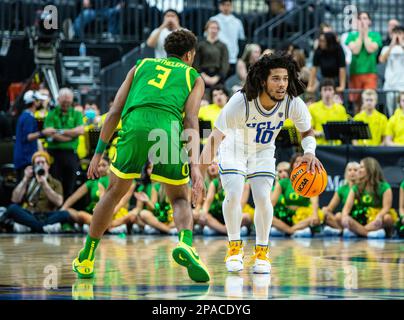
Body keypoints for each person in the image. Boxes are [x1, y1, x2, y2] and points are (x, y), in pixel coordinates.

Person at [72, 30, 210, 283]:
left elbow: (114, 111)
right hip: (167, 127)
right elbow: (191, 119)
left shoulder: (141, 65)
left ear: (165, 51)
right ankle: (185, 243)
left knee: (113, 193)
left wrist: (97, 153)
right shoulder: (193, 76)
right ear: (190, 55)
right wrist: (196, 167)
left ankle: (87, 256)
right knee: (179, 197)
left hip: (135, 123)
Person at [199, 52, 324, 273]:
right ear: (263, 80)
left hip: (263, 150)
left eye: (285, 78)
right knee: (235, 192)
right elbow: (214, 139)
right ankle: (234, 247)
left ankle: (262, 252)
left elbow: (306, 131)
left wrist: (310, 152)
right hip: (235, 147)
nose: (282, 84)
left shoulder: (292, 102)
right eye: (276, 78)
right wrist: (197, 176)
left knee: (263, 197)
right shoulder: (241, 101)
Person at [3, 151, 80, 233]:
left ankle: (31, 227)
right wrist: (25, 179)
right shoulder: (29, 181)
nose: (40, 165)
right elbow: (15, 199)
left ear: (48, 165)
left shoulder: (55, 183)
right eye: (37, 163)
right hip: (30, 214)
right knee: (12, 207)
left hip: (47, 215)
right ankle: (43, 227)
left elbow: (59, 202)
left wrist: (44, 184)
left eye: (43, 162)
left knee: (65, 214)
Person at [340, 157, 398, 238]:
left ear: (370, 169)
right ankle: (369, 234)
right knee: (347, 219)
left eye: (362, 167)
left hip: (377, 219)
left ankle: (358, 232)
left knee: (387, 218)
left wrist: (379, 216)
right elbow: (346, 208)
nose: (359, 170)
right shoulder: (356, 187)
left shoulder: (384, 187)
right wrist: (344, 217)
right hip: (361, 218)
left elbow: (386, 208)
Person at [43, 88, 84, 198]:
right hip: (54, 154)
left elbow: (80, 130)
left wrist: (59, 131)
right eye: (63, 102)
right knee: (54, 182)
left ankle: (66, 210)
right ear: (58, 100)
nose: (66, 104)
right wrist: (71, 136)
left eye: (68, 102)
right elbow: (49, 133)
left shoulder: (77, 114)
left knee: (70, 184)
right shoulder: (51, 114)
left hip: (71, 154)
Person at [270, 153, 324, 237]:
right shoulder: (283, 182)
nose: (299, 164)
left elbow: (314, 202)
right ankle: (292, 230)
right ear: (292, 165)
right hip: (287, 215)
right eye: (297, 162)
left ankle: (288, 230)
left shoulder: (311, 181)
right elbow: (271, 203)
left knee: (316, 216)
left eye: (302, 162)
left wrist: (315, 214)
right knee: (267, 216)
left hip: (303, 217)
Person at [345, 11, 382, 113]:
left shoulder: (375, 35)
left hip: (370, 73)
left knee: (369, 101)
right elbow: (355, 50)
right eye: (360, 18)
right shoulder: (351, 36)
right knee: (357, 103)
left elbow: (370, 49)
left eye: (365, 18)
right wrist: (361, 34)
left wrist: (365, 34)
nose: (362, 21)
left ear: (369, 21)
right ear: (357, 21)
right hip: (355, 73)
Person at [13, 90, 53, 181]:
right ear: (35, 102)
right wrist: (44, 132)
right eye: (39, 100)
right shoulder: (28, 118)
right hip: (26, 159)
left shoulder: (25, 115)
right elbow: (28, 137)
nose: (41, 103)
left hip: (23, 157)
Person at [321, 161, 360, 236]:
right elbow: (330, 208)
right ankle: (342, 230)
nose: (352, 172)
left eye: (355, 170)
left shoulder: (362, 187)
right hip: (345, 217)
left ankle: (341, 230)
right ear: (346, 173)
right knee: (326, 213)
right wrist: (325, 211)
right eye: (350, 170)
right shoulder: (342, 189)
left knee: (339, 216)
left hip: (359, 217)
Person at [210, 0, 246, 77]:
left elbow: (241, 40)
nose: (226, 7)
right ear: (220, 6)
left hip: (232, 58)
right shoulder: (213, 20)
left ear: (231, 6)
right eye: (223, 5)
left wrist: (238, 57)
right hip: (216, 59)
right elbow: (208, 37)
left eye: (228, 5)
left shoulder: (237, 22)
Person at [308, 78, 349, 145]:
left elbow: (345, 130)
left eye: (330, 89)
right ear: (320, 92)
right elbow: (308, 130)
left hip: (337, 146)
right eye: (325, 89)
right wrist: (320, 133)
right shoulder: (312, 108)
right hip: (319, 146)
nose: (327, 93)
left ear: (334, 92)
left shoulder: (341, 109)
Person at [193, 20, 229, 89]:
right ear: (206, 30)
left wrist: (217, 77)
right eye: (212, 28)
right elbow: (196, 62)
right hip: (202, 75)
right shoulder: (200, 45)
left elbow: (225, 64)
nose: (214, 30)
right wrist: (204, 76)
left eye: (216, 28)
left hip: (218, 76)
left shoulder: (223, 46)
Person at [379, 25, 404, 117]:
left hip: (402, 86)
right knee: (391, 112)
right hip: (390, 85)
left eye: (400, 33)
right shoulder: (386, 48)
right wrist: (392, 45)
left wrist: (401, 43)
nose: (397, 36)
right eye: (395, 33)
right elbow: (381, 60)